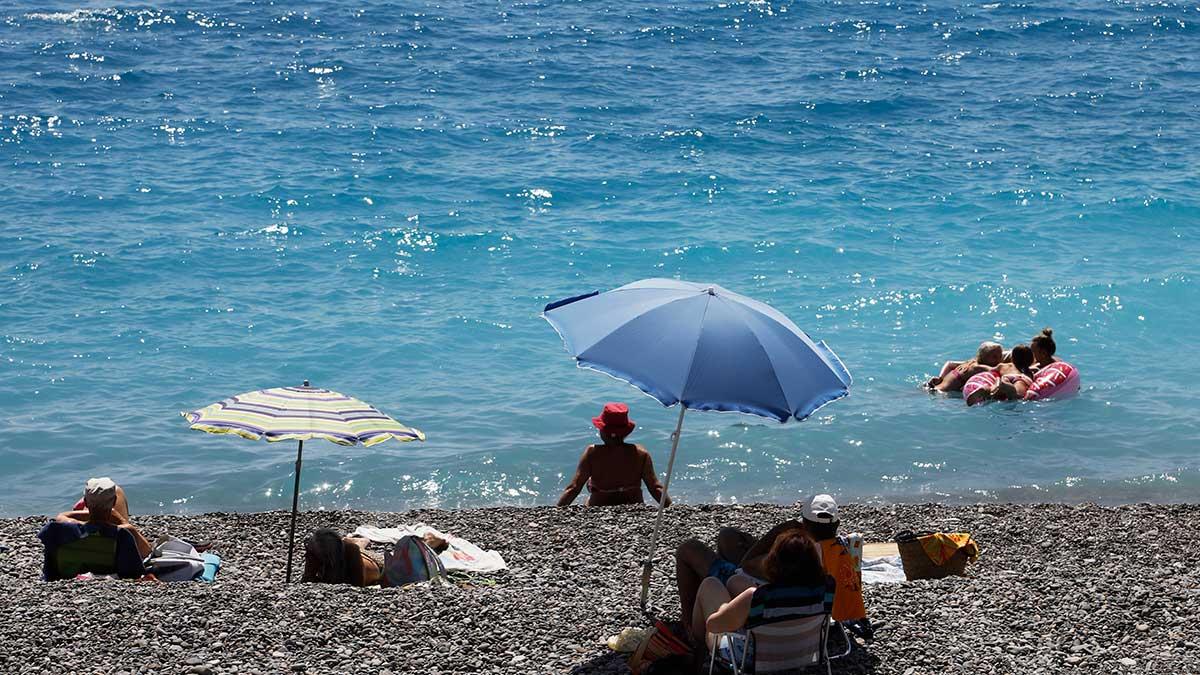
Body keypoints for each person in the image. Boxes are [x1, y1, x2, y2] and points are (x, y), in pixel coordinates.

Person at [675, 495, 868, 632]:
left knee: (688, 548)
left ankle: (689, 626)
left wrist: (780, 530)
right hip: (802, 609)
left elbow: (746, 564)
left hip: (759, 599)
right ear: (836, 524)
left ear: (805, 524)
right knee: (728, 536)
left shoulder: (799, 557)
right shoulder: (839, 553)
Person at [689, 530, 834, 648]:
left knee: (710, 584)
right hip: (802, 649)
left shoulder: (757, 597)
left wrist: (727, 608)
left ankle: (695, 646)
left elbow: (713, 625)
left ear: (772, 564)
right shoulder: (824, 590)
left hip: (753, 656)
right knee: (735, 581)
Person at [557, 403, 670, 507]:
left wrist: (557, 511)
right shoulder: (640, 453)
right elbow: (655, 488)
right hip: (633, 506)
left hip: (599, 506)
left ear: (603, 431)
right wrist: (671, 508)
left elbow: (574, 488)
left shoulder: (592, 452)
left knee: (589, 483)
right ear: (625, 432)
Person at [54, 477, 153, 559]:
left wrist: (91, 511)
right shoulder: (125, 531)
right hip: (111, 562)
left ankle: (95, 501)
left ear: (86, 502)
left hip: (85, 556)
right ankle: (102, 502)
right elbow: (147, 552)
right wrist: (118, 517)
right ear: (114, 502)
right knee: (117, 490)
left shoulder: (73, 527)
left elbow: (61, 516)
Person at [302, 528, 384, 586]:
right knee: (358, 547)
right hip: (347, 550)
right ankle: (353, 540)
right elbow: (307, 580)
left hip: (370, 562)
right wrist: (310, 561)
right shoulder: (316, 555)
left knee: (359, 547)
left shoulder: (351, 551)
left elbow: (358, 584)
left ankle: (363, 540)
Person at [925, 341, 1004, 393]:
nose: (999, 360)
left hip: (934, 387)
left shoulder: (970, 362)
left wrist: (940, 378)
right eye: (994, 357)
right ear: (984, 357)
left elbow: (949, 364)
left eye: (1000, 356)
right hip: (941, 393)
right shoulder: (979, 368)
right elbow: (997, 372)